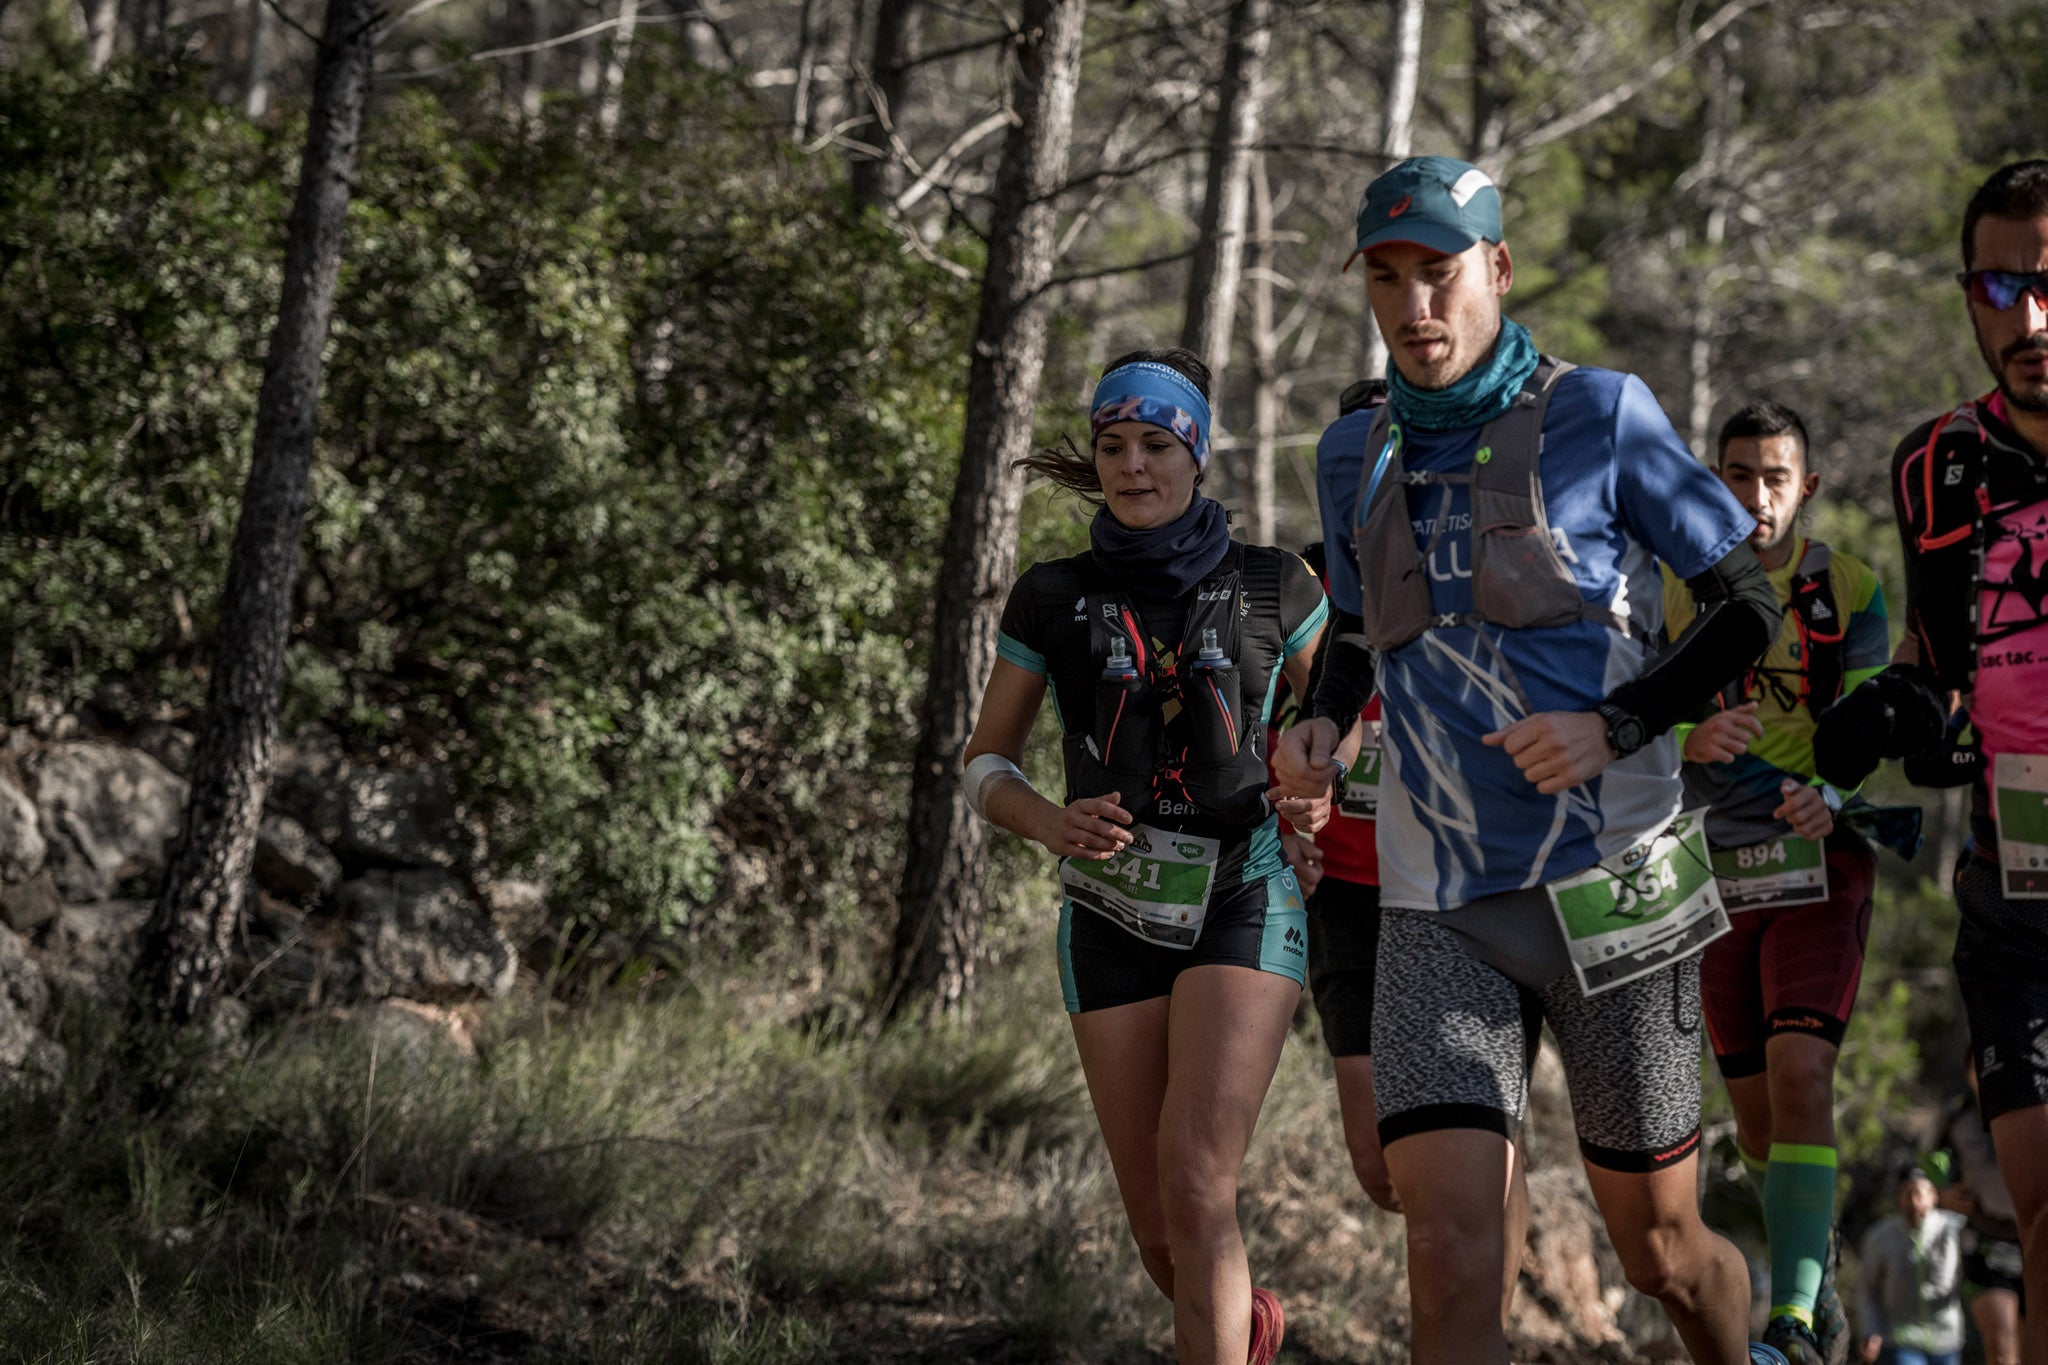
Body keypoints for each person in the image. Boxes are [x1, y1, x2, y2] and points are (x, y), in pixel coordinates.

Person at [1273, 153, 1783, 1365]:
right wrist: (1323, 717)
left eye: (1437, 274)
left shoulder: (1599, 413)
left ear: (1494, 270)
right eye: (1386, 279)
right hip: (1437, 900)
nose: (1412, 306)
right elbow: (1354, 625)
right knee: (1448, 1257)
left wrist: (1614, 725)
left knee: (1656, 1251)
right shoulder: (1352, 453)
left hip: (1612, 884)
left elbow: (1743, 605)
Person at [961, 347, 1329, 1365]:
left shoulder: (1272, 583)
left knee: (1200, 1180)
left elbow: (1345, 715)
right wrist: (1044, 819)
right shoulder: (1051, 595)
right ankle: (1244, 1333)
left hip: (1241, 893)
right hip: (1107, 911)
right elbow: (983, 759)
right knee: (1164, 1237)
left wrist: (1320, 790)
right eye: (1112, 445)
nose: (1131, 466)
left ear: (1194, 454)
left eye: (1154, 445)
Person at [1814, 158, 2048, 1365]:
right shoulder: (1933, 469)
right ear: (1967, 294)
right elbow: (1942, 667)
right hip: (2019, 897)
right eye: (2001, 287)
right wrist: (1891, 710)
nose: (2029, 320)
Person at [1668, 401, 1890, 1364]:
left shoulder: (1853, 586)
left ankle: (1792, 1319)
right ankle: (1815, 1259)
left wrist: (1833, 789)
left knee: (1804, 1075)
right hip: (1713, 868)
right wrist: (1687, 733)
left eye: (1774, 477)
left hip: (1820, 861)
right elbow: (1620, 711)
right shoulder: (1677, 589)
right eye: (1737, 474)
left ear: (1806, 485)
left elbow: (1884, 715)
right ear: (1712, 480)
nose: (1755, 495)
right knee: (1756, 1117)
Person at [1931, 1052, 2024, 1365]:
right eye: (1979, 1068)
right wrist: (1940, 1194)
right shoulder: (1954, 1118)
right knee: (2000, 1340)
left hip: (2034, 1242)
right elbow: (1919, 1171)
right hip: (1983, 1244)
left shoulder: (2034, 1110)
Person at [1858, 1167, 1966, 1365]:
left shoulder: (1953, 1230)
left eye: (1921, 1193)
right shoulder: (1881, 1237)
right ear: (1899, 1198)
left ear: (1934, 1196)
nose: (1915, 1202)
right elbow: (1869, 1289)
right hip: (1900, 1337)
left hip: (1946, 1340)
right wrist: (1871, 1330)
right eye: (1908, 1193)